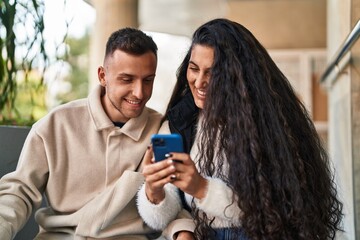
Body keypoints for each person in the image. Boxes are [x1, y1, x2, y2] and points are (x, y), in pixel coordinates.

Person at [137, 18, 343, 240]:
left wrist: (202, 188)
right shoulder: (180, 124)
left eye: (213, 73)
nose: (199, 82)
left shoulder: (268, 125)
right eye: (194, 69)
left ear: (237, 76)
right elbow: (161, 219)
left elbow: (279, 210)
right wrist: (154, 192)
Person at [0, 27, 194, 240]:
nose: (139, 93)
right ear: (103, 76)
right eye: (127, 79)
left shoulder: (161, 129)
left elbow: (175, 199)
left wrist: (183, 229)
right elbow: (19, 192)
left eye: (147, 80)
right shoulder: (55, 125)